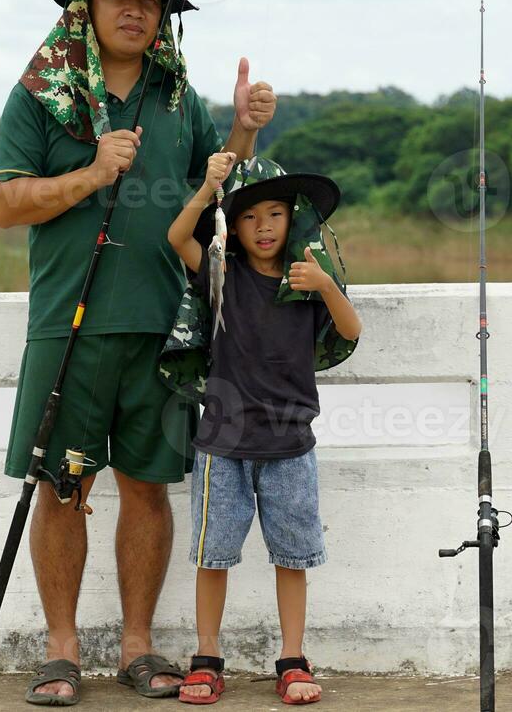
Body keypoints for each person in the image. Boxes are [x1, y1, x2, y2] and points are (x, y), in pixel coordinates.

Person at [0, 0, 277, 706]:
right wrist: (92, 171)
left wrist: (245, 130)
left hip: (166, 326)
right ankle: (60, 652)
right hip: (67, 324)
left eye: (149, 0)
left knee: (148, 487)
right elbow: (5, 203)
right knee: (63, 486)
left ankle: (140, 649)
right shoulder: (42, 95)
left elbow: (217, 193)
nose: (135, 10)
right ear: (85, 7)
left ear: (162, 18)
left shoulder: (179, 100)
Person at [162, 153, 362, 705]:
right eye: (250, 217)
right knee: (213, 556)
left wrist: (324, 284)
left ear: (294, 220)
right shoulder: (222, 271)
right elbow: (179, 236)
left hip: (291, 444)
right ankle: (206, 659)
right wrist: (208, 188)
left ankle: (293, 660)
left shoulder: (306, 280)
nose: (264, 226)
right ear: (233, 225)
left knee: (292, 557)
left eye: (276, 214)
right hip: (222, 444)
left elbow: (351, 329)